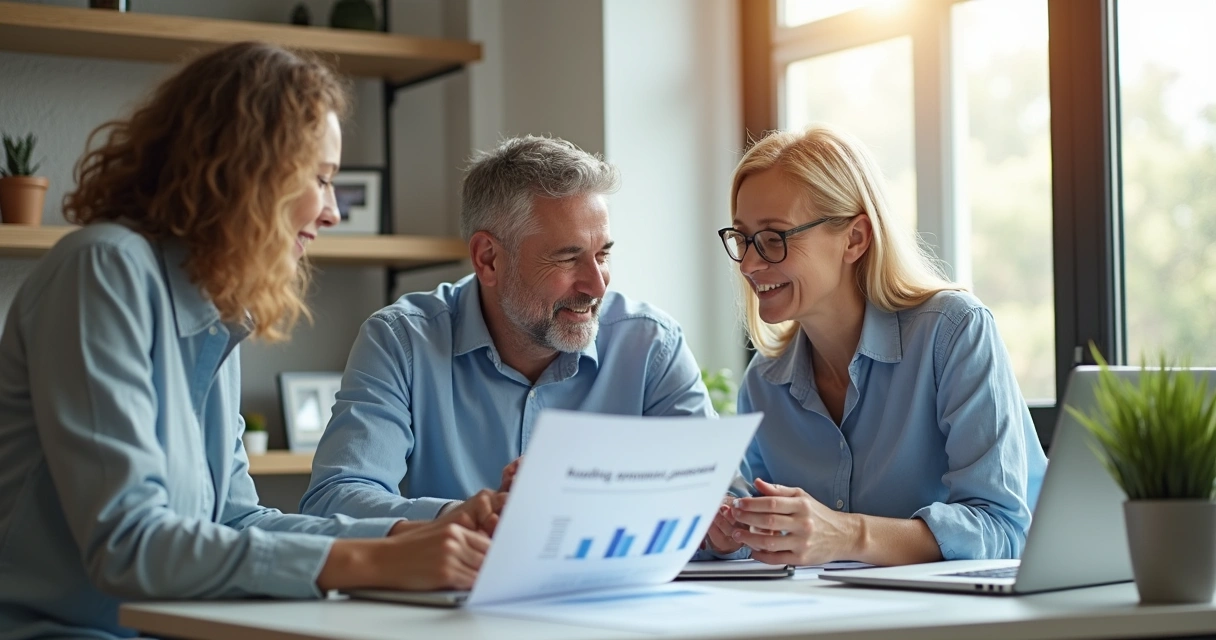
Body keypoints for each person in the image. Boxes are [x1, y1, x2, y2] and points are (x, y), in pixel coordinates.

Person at [0, 42, 502, 640]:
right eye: (320, 179)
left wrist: (418, 534)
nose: (333, 212)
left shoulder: (217, 310)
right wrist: (377, 562)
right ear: (244, 170)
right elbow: (130, 545)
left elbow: (236, 521)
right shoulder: (104, 269)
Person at [300, 135, 715, 520]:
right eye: (568, 258)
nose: (597, 283)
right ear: (489, 259)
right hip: (456, 597)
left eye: (602, 254)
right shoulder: (403, 342)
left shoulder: (651, 344)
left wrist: (739, 524)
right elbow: (336, 498)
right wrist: (475, 516)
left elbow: (719, 502)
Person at [703, 126, 1047, 566]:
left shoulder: (955, 332)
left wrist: (847, 535)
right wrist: (734, 533)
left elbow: (1002, 529)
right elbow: (769, 538)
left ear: (855, 238)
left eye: (775, 238)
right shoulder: (764, 384)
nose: (750, 263)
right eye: (743, 238)